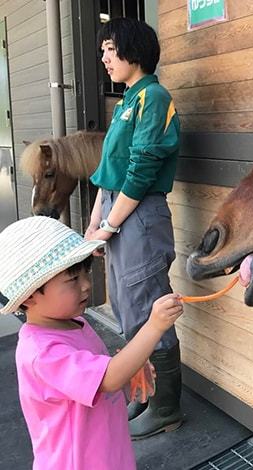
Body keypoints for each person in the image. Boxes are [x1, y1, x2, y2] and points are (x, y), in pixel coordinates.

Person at [0, 216, 184, 470]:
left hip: (107, 451)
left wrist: (130, 369)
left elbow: (98, 376)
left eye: (85, 273)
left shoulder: (75, 323)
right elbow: (107, 378)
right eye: (72, 280)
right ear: (30, 296)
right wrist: (154, 327)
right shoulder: (42, 353)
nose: (86, 285)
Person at [85, 17, 182, 439]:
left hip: (140, 217)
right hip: (118, 214)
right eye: (103, 50)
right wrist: (95, 222)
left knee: (147, 309)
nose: (104, 57)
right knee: (127, 310)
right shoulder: (126, 102)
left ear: (134, 50)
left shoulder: (154, 97)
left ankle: (166, 408)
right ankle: (144, 395)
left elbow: (142, 171)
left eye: (111, 48)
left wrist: (107, 225)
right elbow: (110, 173)